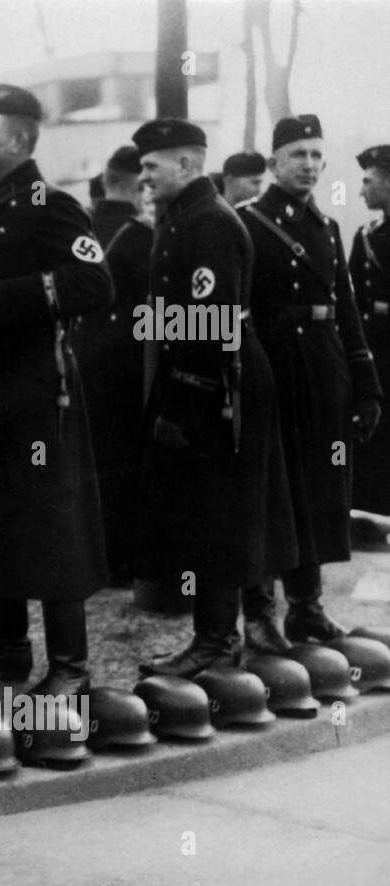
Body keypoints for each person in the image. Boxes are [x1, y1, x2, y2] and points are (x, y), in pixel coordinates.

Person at [0, 84, 112, 699]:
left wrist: (2, 300)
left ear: (18, 139)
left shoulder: (54, 203)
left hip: (39, 391)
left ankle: (70, 665)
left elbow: (95, 282)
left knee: (51, 524)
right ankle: (6, 646)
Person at [128, 119, 296, 677]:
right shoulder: (186, 218)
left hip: (220, 383)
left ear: (187, 164)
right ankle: (220, 634)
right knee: (208, 514)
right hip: (207, 377)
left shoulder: (207, 224)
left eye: (152, 166)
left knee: (219, 515)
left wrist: (180, 406)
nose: (144, 176)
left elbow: (211, 323)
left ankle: (217, 642)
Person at [238, 115, 383, 653]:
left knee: (318, 490)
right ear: (274, 162)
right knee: (269, 493)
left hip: (323, 374)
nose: (310, 165)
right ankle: (259, 614)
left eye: (318, 156)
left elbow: (347, 312)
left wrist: (366, 385)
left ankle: (308, 610)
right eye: (298, 154)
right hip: (271, 371)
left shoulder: (327, 229)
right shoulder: (247, 223)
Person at [72, 144, 151, 585]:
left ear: (105, 179)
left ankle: (88, 555)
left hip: (79, 354)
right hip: (126, 363)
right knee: (124, 462)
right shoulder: (143, 234)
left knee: (88, 460)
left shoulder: (79, 227)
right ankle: (120, 561)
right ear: (139, 185)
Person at [350, 145, 390, 524]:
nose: (362, 191)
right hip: (377, 353)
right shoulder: (366, 236)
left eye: (368, 181)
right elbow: (351, 302)